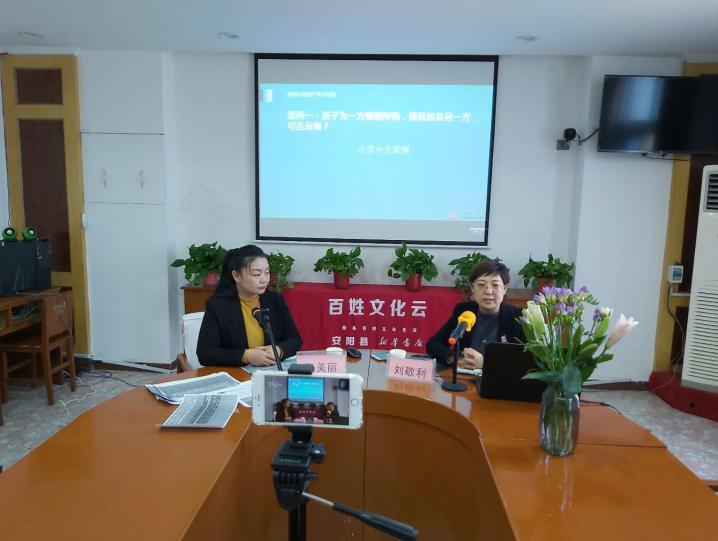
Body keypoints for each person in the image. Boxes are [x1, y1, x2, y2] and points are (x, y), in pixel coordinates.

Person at [197, 244, 302, 366]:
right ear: (236, 276)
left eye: (267, 272)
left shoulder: (275, 301)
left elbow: (294, 340)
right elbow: (205, 353)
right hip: (237, 373)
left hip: (269, 370)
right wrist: (246, 356)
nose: (264, 280)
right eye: (256, 274)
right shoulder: (218, 306)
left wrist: (279, 350)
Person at [426, 259, 524, 370]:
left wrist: (485, 364)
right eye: (481, 284)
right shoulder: (464, 312)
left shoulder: (518, 317)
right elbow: (433, 345)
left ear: (504, 289)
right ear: (473, 287)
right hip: (466, 377)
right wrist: (454, 357)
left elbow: (526, 361)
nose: (488, 291)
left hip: (500, 379)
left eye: (495, 285)